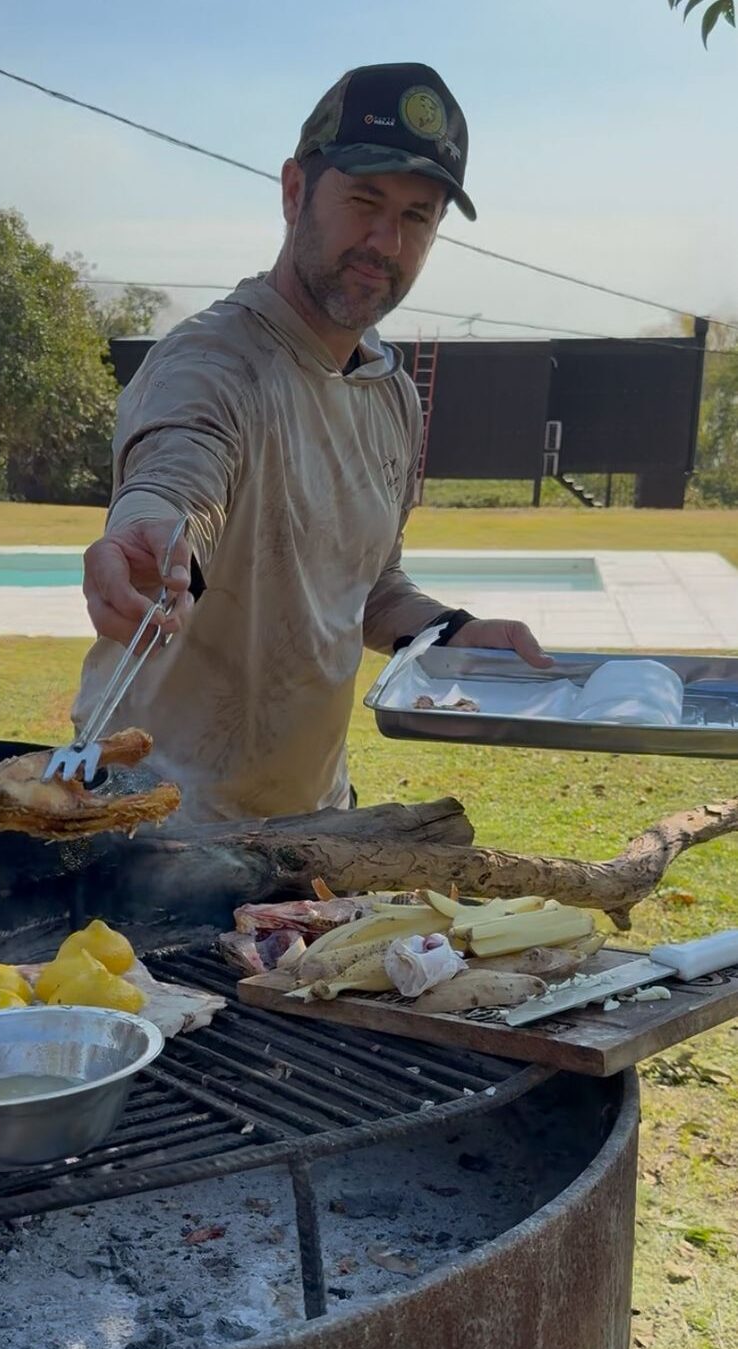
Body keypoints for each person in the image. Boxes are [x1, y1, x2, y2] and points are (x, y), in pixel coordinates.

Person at [72, 62, 550, 823]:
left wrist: (454, 633)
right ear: (295, 192)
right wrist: (152, 531)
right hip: (156, 828)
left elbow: (367, 587)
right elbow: (177, 470)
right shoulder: (213, 361)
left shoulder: (392, 394)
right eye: (364, 201)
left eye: (418, 216)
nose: (387, 241)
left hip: (311, 823)